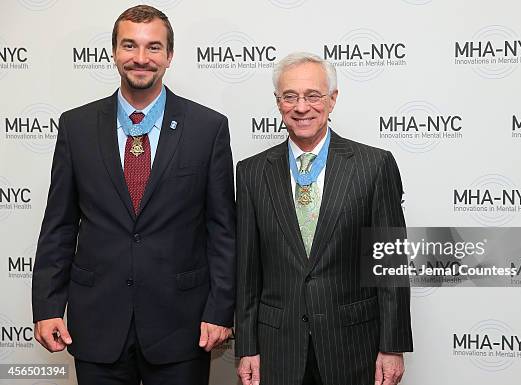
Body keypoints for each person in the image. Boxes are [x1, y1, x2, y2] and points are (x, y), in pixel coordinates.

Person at [31, 5, 235, 385]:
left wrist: (221, 310)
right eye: (130, 46)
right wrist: (47, 305)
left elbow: (222, 231)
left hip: (182, 326)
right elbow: (59, 225)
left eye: (154, 48)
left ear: (170, 56)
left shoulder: (208, 128)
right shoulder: (76, 126)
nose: (141, 59)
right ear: (113, 52)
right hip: (97, 325)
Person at [235, 52, 413, 385]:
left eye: (313, 96)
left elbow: (390, 267)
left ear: (332, 100)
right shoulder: (251, 173)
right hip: (277, 350)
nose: (301, 107)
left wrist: (393, 346)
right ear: (278, 103)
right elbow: (247, 271)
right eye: (290, 97)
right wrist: (246, 346)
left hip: (353, 347)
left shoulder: (373, 167)